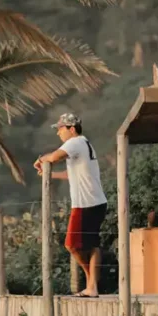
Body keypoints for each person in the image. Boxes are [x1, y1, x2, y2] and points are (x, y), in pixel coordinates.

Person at [34, 113, 108, 297]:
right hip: (93, 202)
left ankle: (91, 282)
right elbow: (71, 175)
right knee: (91, 244)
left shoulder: (75, 143)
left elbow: (55, 157)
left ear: (71, 129)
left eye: (61, 128)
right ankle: (92, 285)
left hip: (86, 203)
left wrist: (42, 159)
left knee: (71, 245)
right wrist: (50, 175)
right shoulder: (83, 144)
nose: (58, 133)